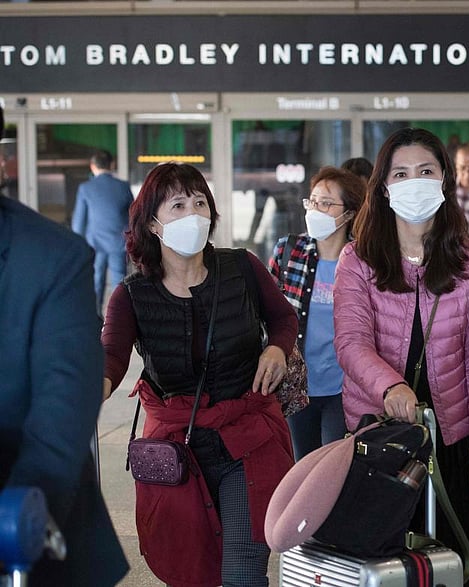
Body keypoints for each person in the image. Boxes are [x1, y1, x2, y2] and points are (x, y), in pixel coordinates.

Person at [101, 162, 297, 587]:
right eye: (178, 204)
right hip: (174, 451)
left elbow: (282, 317)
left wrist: (277, 349)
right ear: (153, 223)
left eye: (200, 202)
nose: (194, 213)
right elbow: (111, 356)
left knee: (243, 573)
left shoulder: (242, 268)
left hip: (248, 438)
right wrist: (88, 391)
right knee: (191, 571)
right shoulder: (132, 295)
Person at [333, 128, 469, 586]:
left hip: (456, 444)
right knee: (390, 570)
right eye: (402, 173)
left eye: (426, 171)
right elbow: (351, 343)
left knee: (464, 567)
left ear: (445, 179)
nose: (415, 182)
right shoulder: (358, 260)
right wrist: (388, 386)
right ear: (384, 187)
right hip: (384, 444)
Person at [0, 105, 129, 587]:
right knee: (113, 283)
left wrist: (17, 522)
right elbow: (130, 215)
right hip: (113, 245)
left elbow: (59, 423)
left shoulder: (53, 261)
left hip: (28, 540)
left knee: (101, 289)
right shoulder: (117, 187)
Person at [268, 166, 365, 460]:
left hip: (343, 388)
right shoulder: (289, 251)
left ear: (348, 214)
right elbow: (267, 311)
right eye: (313, 202)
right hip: (298, 387)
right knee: (301, 467)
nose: (316, 210)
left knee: (333, 469)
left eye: (326, 203)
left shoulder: (363, 262)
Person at [72, 149, 135, 313]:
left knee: (95, 282)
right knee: (119, 282)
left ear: (92, 166)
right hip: (118, 243)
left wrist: (78, 243)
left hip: (94, 244)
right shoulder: (123, 186)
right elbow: (133, 215)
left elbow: (79, 221)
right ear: (112, 165)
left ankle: (94, 319)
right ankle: (118, 320)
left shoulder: (86, 188)